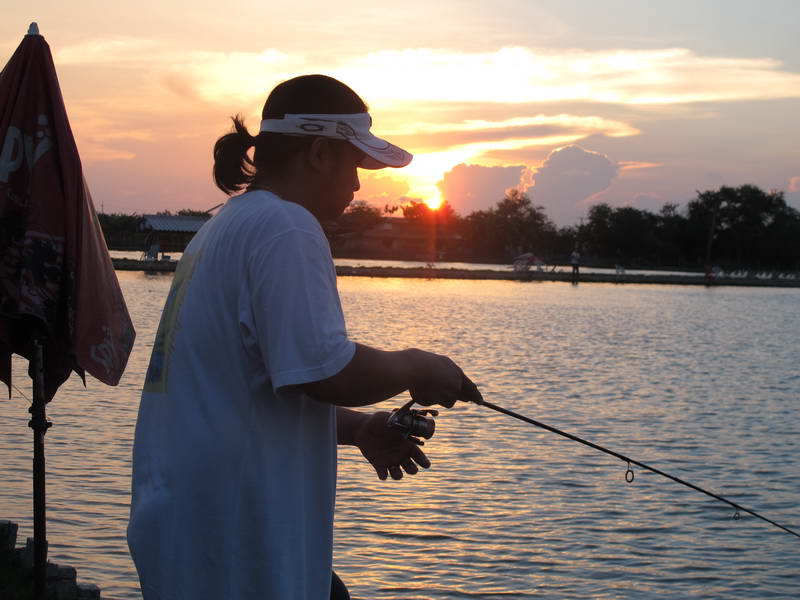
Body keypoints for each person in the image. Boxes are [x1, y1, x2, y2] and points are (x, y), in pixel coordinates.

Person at [127, 74, 481, 600]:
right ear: (319, 153)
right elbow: (325, 371)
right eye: (354, 166)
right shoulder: (286, 227)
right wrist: (420, 365)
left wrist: (360, 429)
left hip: (197, 526)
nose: (358, 186)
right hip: (237, 537)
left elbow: (263, 382)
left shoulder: (227, 224)